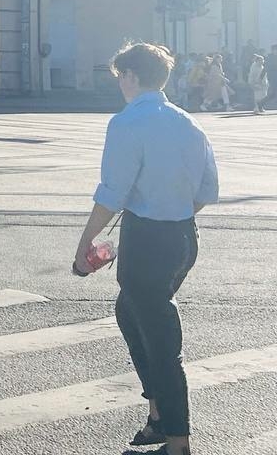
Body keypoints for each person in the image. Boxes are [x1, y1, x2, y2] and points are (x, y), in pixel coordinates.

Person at [73, 42, 218, 455]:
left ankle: (177, 441)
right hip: (183, 239)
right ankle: (157, 415)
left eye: (120, 76)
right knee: (130, 311)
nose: (119, 83)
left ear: (131, 76)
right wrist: (174, 213)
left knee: (161, 340)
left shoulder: (128, 122)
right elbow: (208, 189)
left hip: (147, 242)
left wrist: (85, 244)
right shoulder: (189, 123)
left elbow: (112, 194)